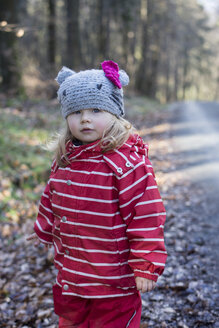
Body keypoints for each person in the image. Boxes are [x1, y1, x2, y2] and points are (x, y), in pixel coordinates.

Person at [27, 60, 167, 328]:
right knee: (72, 321)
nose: (85, 118)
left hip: (113, 281)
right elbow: (52, 196)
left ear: (114, 114)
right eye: (76, 111)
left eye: (95, 109)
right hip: (71, 273)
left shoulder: (126, 164)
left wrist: (146, 263)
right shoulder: (66, 158)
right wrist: (44, 227)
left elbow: (146, 214)